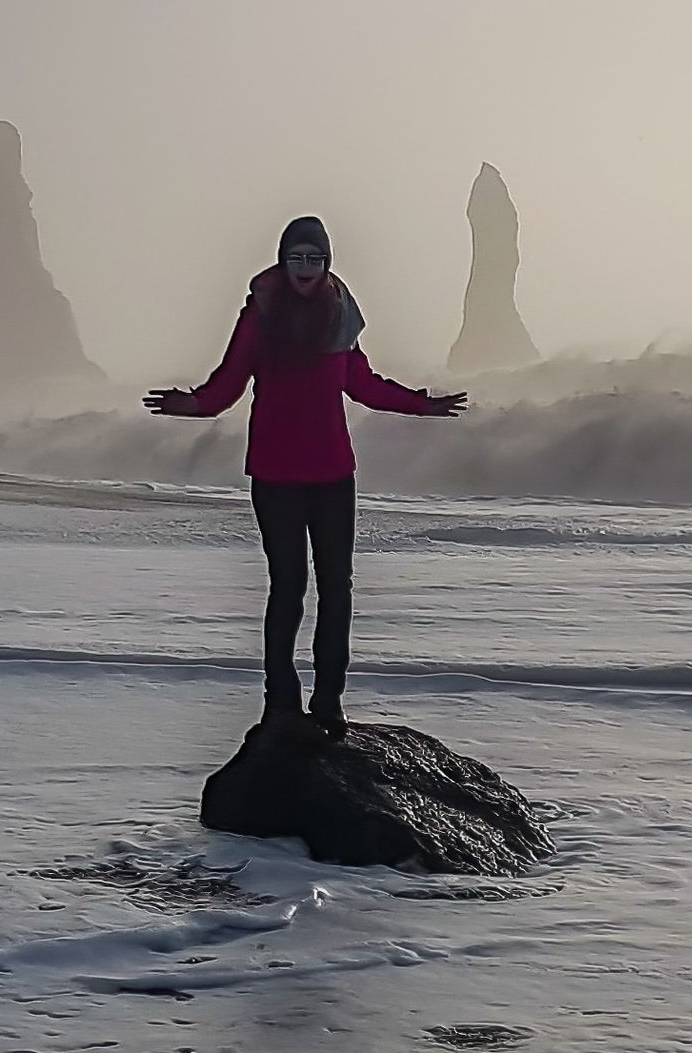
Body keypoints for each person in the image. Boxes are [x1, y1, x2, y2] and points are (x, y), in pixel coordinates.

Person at [148, 216, 465, 734]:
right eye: (295, 257)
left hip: (332, 474)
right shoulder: (261, 316)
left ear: (327, 263)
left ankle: (329, 700)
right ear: (282, 260)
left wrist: (421, 406)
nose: (304, 269)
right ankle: (281, 700)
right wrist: (196, 405)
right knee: (288, 585)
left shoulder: (339, 317)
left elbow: (362, 383)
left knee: (337, 587)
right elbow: (228, 381)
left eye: (313, 258)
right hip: (274, 474)